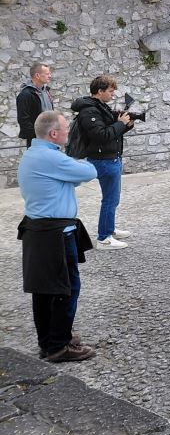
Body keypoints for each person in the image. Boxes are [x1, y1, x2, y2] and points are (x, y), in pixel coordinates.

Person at [17, 111, 98, 362]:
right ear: (54, 134)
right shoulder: (50, 159)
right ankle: (58, 346)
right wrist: (80, 165)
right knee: (65, 288)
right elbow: (89, 172)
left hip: (41, 230)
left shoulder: (35, 154)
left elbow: (70, 180)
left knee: (45, 291)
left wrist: (70, 174)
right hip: (54, 233)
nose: (68, 132)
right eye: (65, 128)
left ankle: (50, 340)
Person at [71, 74, 136, 249]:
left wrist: (125, 125)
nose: (113, 94)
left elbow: (111, 132)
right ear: (99, 91)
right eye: (110, 91)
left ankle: (109, 228)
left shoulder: (99, 107)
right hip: (104, 160)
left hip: (110, 157)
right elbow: (101, 136)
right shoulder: (90, 111)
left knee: (112, 199)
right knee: (110, 199)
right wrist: (120, 124)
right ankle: (104, 238)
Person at [17, 62, 54, 148]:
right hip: (36, 140)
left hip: (50, 137)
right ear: (37, 75)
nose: (50, 76)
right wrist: (37, 136)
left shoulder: (46, 91)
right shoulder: (25, 95)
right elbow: (23, 120)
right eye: (47, 74)